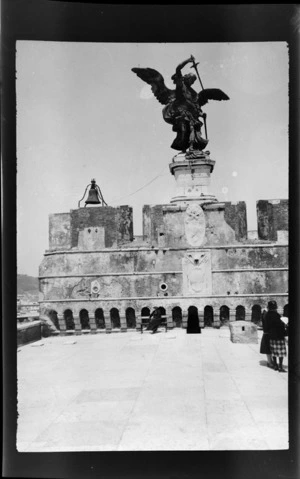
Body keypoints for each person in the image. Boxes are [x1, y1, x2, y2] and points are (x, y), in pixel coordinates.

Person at [264, 301, 287, 372]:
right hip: (279, 336)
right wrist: (284, 324)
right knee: (281, 352)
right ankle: (280, 366)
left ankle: (275, 366)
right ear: (275, 307)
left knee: (274, 351)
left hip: (271, 335)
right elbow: (279, 325)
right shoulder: (277, 315)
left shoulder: (267, 315)